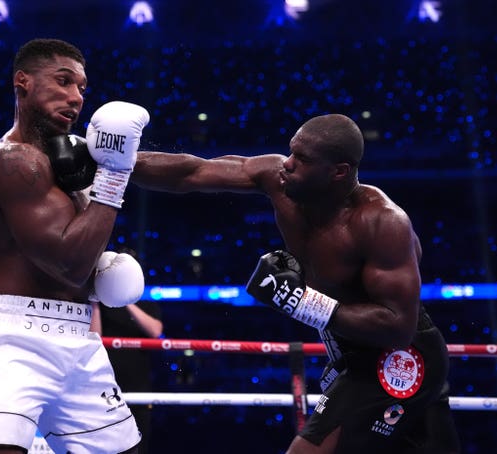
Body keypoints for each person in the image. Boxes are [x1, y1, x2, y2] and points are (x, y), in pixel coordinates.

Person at [131, 113, 460, 453]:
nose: (287, 164)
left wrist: (302, 301)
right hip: (350, 350)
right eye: (291, 152)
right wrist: (116, 162)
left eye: (302, 159)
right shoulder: (278, 181)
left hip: (398, 357)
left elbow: (398, 327)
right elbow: (193, 172)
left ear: (339, 171)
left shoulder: (381, 222)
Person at [0, 38, 150, 454]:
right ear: (22, 82)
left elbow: (178, 172)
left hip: (78, 338)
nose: (76, 97)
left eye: (81, 88)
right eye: (63, 82)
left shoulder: (71, 158)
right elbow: (69, 265)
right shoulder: (13, 160)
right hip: (11, 339)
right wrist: (113, 177)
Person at [90, 248, 163, 454]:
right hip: (104, 389)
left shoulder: (145, 304)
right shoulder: (98, 304)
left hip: (137, 389)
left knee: (138, 448)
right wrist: (95, 298)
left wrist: (125, 297)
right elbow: (94, 337)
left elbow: (155, 331)